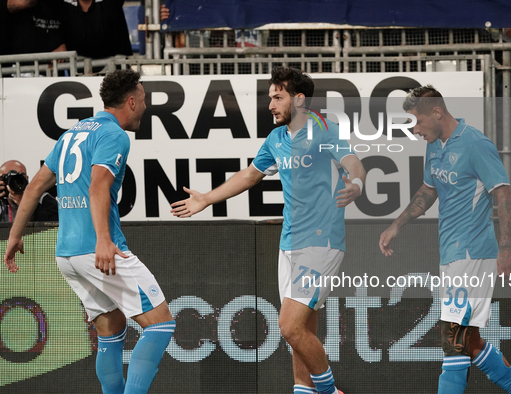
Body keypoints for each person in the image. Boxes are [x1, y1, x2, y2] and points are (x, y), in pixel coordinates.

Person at [171, 66, 365, 394]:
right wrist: (206, 198)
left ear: (299, 99)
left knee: (288, 327)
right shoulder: (276, 139)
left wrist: (357, 183)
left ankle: (331, 391)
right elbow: (249, 175)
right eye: (270, 97)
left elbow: (354, 163)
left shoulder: (324, 129)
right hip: (289, 243)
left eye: (278, 97)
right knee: (302, 332)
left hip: (321, 241)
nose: (271, 105)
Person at [4, 69, 175, 394]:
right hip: (95, 248)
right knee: (161, 323)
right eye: (143, 99)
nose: (145, 105)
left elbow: (35, 187)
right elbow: (98, 187)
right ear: (131, 101)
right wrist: (104, 240)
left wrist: (14, 236)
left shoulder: (71, 134)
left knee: (112, 328)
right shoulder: (114, 135)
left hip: (66, 254)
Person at [379, 86, 511, 394]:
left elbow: (503, 192)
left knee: (451, 339)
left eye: (417, 121)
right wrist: (396, 225)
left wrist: (505, 247)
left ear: (437, 113)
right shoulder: (435, 144)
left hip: (472, 254)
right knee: (470, 341)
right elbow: (429, 191)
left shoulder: (475, 143)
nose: (415, 129)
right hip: (453, 256)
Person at [61, 0, 132, 59]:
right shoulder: (62, 5)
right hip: (76, 69)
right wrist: (55, 43)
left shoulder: (111, 3)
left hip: (116, 67)